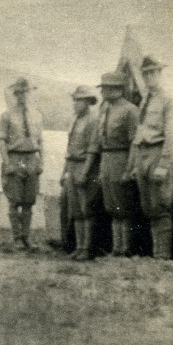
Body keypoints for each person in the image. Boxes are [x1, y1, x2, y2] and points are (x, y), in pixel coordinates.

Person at [127, 57, 173, 259]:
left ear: (160, 74)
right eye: (146, 74)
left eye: (153, 73)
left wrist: (164, 164)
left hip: (158, 152)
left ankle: (162, 255)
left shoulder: (168, 101)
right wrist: (136, 163)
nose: (149, 77)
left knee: (161, 206)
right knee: (148, 206)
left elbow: (172, 135)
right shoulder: (144, 101)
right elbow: (140, 132)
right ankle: (156, 252)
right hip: (144, 154)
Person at [90, 72, 141, 256]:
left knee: (123, 207)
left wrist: (129, 168)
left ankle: (125, 249)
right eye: (103, 88)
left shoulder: (130, 110)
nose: (103, 92)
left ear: (117, 90)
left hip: (121, 158)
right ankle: (116, 248)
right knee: (111, 207)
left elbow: (134, 142)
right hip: (107, 159)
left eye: (107, 88)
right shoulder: (105, 110)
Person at [0, 77, 44, 250]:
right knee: (14, 200)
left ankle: (26, 237)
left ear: (30, 94)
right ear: (15, 94)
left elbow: (41, 141)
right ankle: (17, 238)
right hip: (15, 158)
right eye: (19, 93)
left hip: (31, 158)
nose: (22, 96)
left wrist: (41, 162)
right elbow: (1, 141)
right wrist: (7, 163)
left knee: (29, 201)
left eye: (25, 92)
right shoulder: (7, 116)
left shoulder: (37, 115)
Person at [62, 86, 101, 260]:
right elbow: (69, 147)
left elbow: (93, 149)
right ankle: (78, 247)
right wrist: (65, 171)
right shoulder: (75, 119)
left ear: (88, 102)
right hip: (72, 164)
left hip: (86, 166)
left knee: (87, 209)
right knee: (76, 210)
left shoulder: (93, 120)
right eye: (75, 100)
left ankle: (87, 248)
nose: (75, 104)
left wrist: (85, 172)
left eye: (79, 100)